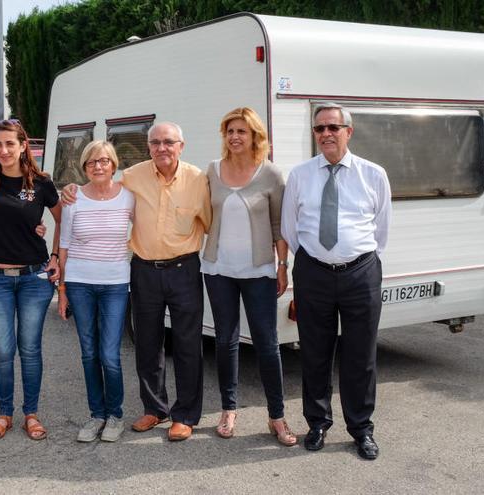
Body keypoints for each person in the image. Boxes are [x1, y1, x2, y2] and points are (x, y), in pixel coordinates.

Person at [63, 122, 211, 441]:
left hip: (184, 268)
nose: (161, 148)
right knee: (147, 343)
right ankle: (155, 409)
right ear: (149, 147)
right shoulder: (133, 177)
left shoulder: (198, 179)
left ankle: (185, 414)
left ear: (181, 145)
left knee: (187, 344)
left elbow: (211, 223)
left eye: (168, 142)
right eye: (155, 142)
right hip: (143, 269)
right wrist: (72, 188)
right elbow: (101, 185)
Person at [280, 102, 392, 460]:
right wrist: (316, 259)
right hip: (313, 272)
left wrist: (353, 257)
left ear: (349, 131)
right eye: (319, 129)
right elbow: (289, 227)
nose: (326, 134)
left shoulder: (373, 174)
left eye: (333, 127)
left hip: (361, 272)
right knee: (314, 353)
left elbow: (382, 229)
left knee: (361, 355)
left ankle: (361, 429)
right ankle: (317, 424)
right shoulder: (299, 175)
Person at [201, 107, 295, 446]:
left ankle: (277, 416)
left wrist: (282, 266)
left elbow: (278, 225)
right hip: (218, 269)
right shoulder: (212, 171)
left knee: (267, 343)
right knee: (225, 341)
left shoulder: (270, 174)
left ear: (255, 136)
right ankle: (228, 409)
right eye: (230, 131)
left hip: (259, 271)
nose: (235, 137)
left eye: (242, 131)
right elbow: (197, 212)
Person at [0, 120, 61, 441]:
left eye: (10, 144)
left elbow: (63, 219)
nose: (4, 150)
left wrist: (55, 257)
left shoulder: (41, 183)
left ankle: (31, 414)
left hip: (33, 280)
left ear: (23, 145)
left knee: (29, 349)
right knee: (1, 351)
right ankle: (4, 414)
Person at [56, 140, 134, 443]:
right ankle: (96, 415)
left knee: (109, 354)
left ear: (113, 165)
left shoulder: (129, 198)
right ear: (84, 167)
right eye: (91, 163)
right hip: (79, 282)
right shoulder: (73, 198)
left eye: (103, 161)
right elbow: (64, 245)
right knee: (89, 353)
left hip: (115, 283)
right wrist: (62, 290)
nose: (98, 167)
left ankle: (115, 415)